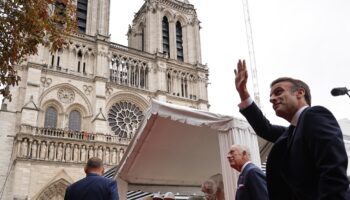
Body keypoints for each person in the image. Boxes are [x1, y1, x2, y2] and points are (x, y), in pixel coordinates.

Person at [234, 59, 350, 199]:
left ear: (300, 93)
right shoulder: (291, 132)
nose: (272, 99)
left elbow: (333, 168)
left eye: (278, 92)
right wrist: (243, 92)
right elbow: (265, 129)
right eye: (271, 96)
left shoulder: (314, 115)